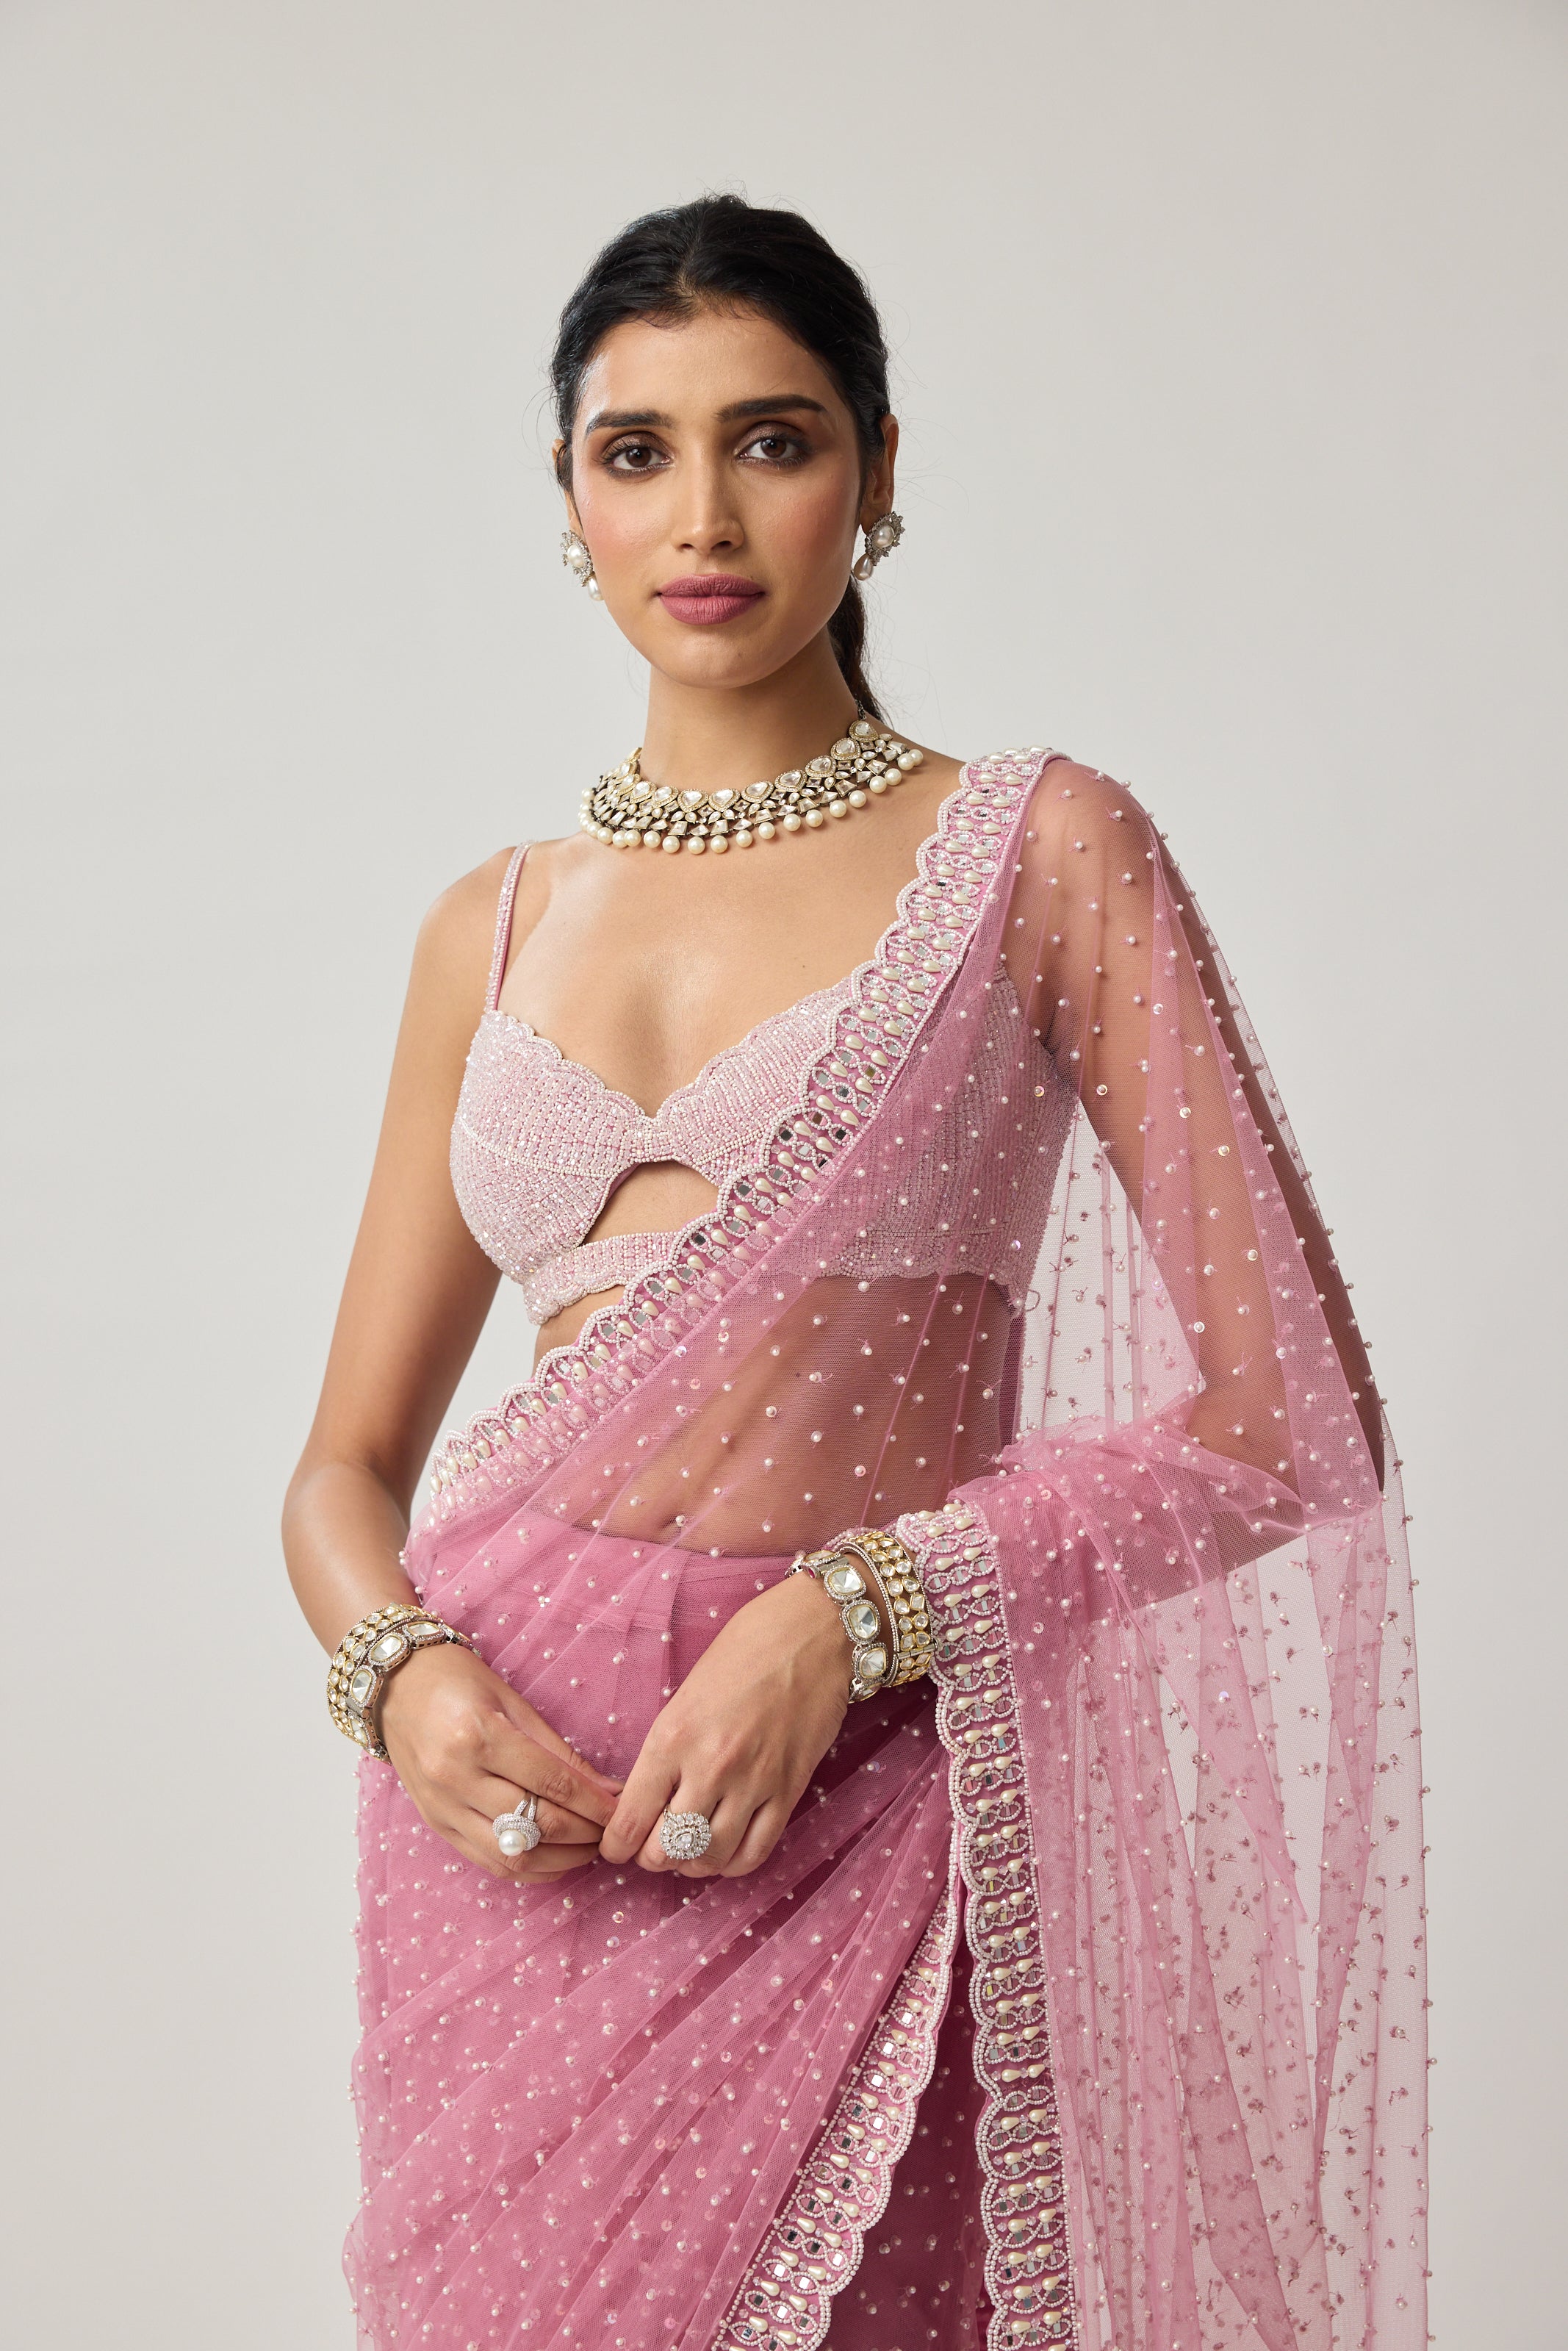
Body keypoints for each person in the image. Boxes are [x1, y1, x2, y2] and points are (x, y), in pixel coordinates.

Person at [284, 196, 1426, 2351]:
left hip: (860, 1801)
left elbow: (1293, 1416)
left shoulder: (1037, 850)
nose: (703, 515)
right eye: (637, 452)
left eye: (775, 440)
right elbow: (342, 1472)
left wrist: (851, 1611)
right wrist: (404, 1679)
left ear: (880, 471)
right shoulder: (489, 926)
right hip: (508, 1841)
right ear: (567, 496)